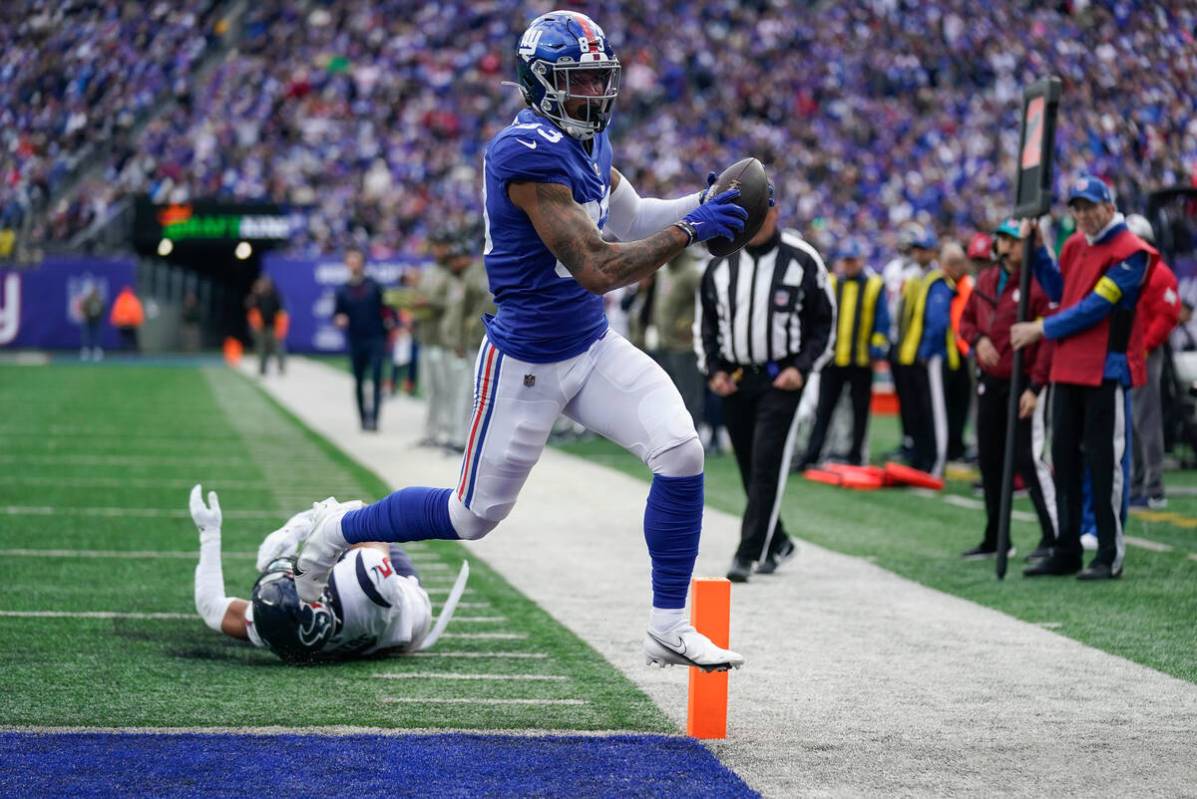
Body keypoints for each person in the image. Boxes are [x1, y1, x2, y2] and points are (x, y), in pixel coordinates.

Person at [292, 11, 751, 672]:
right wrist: (692, 231)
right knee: (471, 515)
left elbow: (634, 216)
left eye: (599, 79)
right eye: (578, 80)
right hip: (528, 359)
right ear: (538, 84)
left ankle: (667, 626)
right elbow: (599, 266)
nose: (594, 93)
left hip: (590, 346)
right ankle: (337, 529)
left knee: (681, 451)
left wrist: (697, 204)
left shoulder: (589, 140)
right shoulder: (525, 151)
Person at [1013, 176, 1159, 580]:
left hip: (1105, 371)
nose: (1082, 215)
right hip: (1068, 368)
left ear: (1109, 207)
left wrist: (1041, 329)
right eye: (1076, 208)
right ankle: (1067, 547)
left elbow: (1096, 306)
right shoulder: (1075, 244)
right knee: (1063, 459)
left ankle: (1109, 554)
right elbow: (1066, 292)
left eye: (1089, 206)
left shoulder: (1133, 252)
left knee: (1103, 462)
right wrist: (1040, 252)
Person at [696, 207, 836, 582]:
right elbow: (706, 321)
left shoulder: (802, 259)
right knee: (747, 466)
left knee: (766, 463)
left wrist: (802, 369)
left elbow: (825, 321)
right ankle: (780, 542)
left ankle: (748, 552)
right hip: (737, 379)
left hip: (781, 380)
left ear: (773, 213)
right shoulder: (720, 261)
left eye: (761, 212)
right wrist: (714, 371)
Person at [188, 485, 465, 662]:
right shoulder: (364, 582)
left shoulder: (279, 629)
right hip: (408, 607)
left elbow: (211, 608)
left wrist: (209, 535)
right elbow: (365, 519)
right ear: (318, 602)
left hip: (373, 629)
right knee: (355, 526)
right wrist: (295, 529)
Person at [957, 218, 1057, 561]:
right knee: (990, 460)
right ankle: (996, 536)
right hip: (991, 380)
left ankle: (1052, 536)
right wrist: (978, 340)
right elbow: (966, 321)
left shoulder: (1038, 282)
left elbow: (1046, 339)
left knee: (1028, 460)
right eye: (1003, 239)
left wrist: (1036, 386)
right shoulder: (986, 279)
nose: (1007, 246)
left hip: (1023, 382)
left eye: (1014, 240)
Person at [799, 238, 888, 469]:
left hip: (860, 360)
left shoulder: (874, 285)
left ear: (861, 261)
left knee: (860, 412)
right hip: (832, 359)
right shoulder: (831, 282)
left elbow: (882, 322)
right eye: (845, 261)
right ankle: (813, 454)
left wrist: (877, 346)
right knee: (823, 410)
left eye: (852, 260)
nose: (848, 265)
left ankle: (856, 456)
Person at [894, 240, 965, 477]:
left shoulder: (936, 283)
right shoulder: (933, 282)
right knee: (924, 411)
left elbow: (936, 323)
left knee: (933, 412)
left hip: (932, 357)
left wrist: (925, 352)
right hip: (923, 354)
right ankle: (924, 459)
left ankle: (934, 462)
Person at [1125, 214, 1179, 509]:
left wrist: (1145, 346)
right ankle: (1137, 483)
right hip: (1131, 351)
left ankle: (1154, 487)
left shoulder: (1158, 273)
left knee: (1146, 420)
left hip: (1145, 352)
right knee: (1132, 422)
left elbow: (1168, 314)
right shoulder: (1135, 270)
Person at [887, 226, 939, 462]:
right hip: (904, 346)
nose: (915, 253)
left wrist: (925, 348)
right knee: (910, 403)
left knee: (927, 406)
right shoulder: (904, 273)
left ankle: (932, 453)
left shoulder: (934, 276)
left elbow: (932, 319)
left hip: (923, 351)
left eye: (919, 248)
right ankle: (914, 446)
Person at [334, 248, 390, 432]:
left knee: (376, 377)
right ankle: (362, 418)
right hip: (355, 339)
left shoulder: (374, 285)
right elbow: (337, 312)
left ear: (362, 263)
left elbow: (387, 308)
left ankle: (374, 419)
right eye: (349, 261)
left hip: (375, 337)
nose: (353, 264)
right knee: (358, 380)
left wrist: (391, 322)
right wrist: (339, 318)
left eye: (355, 260)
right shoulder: (342, 290)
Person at [246, 276, 287, 376]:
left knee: (277, 348)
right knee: (261, 348)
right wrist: (255, 293)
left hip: (273, 326)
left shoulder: (275, 296)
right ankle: (262, 369)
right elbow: (249, 306)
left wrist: (280, 328)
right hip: (261, 327)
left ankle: (281, 368)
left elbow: (281, 312)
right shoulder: (257, 296)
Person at [109, 285, 144, 353]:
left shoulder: (122, 300)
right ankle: (130, 352)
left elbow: (116, 312)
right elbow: (137, 312)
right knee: (128, 340)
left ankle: (130, 352)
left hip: (128, 324)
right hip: (129, 324)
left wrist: (119, 320)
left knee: (129, 340)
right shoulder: (132, 300)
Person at [79, 286, 105, 361]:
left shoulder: (99, 300)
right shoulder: (88, 300)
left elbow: (102, 309)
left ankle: (96, 351)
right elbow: (83, 308)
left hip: (96, 321)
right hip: (88, 320)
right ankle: (86, 351)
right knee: (86, 336)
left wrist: (98, 316)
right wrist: (86, 315)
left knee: (96, 335)